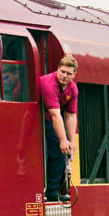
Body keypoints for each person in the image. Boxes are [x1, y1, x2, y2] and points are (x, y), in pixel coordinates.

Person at [40, 55, 78, 202]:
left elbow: (70, 115)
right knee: (49, 152)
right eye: (62, 71)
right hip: (39, 119)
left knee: (59, 154)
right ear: (57, 69)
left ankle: (52, 191)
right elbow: (56, 114)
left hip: (51, 120)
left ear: (74, 74)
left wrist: (71, 141)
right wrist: (63, 140)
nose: (64, 76)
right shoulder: (49, 84)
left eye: (68, 73)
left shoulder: (73, 89)